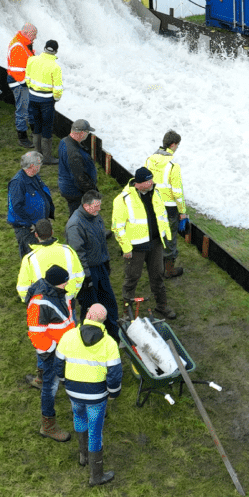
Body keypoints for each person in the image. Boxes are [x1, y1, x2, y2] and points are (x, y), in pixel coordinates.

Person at [55, 303, 122, 486]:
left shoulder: (68, 336)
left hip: (73, 392)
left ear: (87, 315)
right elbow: (115, 375)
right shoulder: (109, 343)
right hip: (96, 396)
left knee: (79, 416)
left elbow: (58, 364)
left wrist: (63, 381)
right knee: (95, 432)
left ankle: (83, 456)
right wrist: (113, 393)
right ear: (103, 320)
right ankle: (96, 476)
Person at [113, 166, 176, 320]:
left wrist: (164, 236)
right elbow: (117, 227)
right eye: (149, 180)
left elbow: (161, 216)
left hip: (155, 244)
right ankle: (127, 313)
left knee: (158, 276)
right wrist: (126, 249)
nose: (152, 182)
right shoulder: (123, 200)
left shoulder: (156, 193)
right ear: (139, 183)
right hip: (135, 249)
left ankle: (162, 306)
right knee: (131, 279)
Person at [25, 264, 78, 442]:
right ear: (56, 283)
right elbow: (35, 334)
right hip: (55, 354)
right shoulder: (38, 303)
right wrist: (52, 352)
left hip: (66, 348)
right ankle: (48, 426)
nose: (67, 284)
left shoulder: (59, 293)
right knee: (50, 387)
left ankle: (80, 408)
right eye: (65, 282)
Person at [65, 189, 120, 342]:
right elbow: (78, 254)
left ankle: (113, 333)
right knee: (90, 306)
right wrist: (87, 277)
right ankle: (88, 337)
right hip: (87, 272)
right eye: (96, 206)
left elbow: (102, 241)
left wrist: (106, 260)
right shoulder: (75, 225)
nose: (99, 209)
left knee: (109, 300)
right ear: (86, 206)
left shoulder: (95, 216)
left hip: (100, 266)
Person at [143, 130, 191, 279]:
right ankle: (168, 270)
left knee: (155, 234)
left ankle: (153, 263)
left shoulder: (150, 159)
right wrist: (182, 212)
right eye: (177, 145)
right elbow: (177, 192)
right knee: (169, 238)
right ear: (173, 145)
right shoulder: (173, 167)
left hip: (152, 204)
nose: (177, 148)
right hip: (169, 208)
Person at [16, 218, 84, 304]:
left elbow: (22, 289)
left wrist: (34, 303)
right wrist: (71, 295)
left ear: (36, 235)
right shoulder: (68, 251)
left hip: (43, 307)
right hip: (67, 302)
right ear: (52, 232)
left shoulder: (29, 259)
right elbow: (80, 276)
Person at [7, 150, 55, 258]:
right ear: (33, 166)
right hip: (27, 229)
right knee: (31, 257)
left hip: (37, 223)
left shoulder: (33, 176)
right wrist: (30, 224)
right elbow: (16, 207)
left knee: (42, 255)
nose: (41, 166)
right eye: (40, 164)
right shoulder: (17, 182)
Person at [23, 39, 64, 160]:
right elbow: (57, 89)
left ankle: (37, 153)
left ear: (45, 48)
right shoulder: (55, 67)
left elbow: (27, 79)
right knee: (47, 126)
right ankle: (46, 157)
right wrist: (55, 99)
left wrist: (33, 90)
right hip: (47, 101)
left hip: (33, 98)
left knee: (36, 124)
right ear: (56, 52)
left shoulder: (32, 60)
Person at [56, 119, 98, 220]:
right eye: (88, 132)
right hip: (74, 190)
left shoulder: (64, 141)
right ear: (82, 133)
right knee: (80, 214)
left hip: (66, 185)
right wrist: (91, 191)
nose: (88, 135)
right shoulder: (74, 153)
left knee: (76, 212)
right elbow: (79, 177)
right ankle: (79, 233)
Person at [7, 22, 37, 148]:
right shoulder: (19, 46)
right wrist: (27, 85)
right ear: (27, 33)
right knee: (23, 110)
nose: (35, 38)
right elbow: (17, 71)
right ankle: (22, 137)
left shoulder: (22, 42)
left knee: (29, 108)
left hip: (22, 82)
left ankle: (34, 133)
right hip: (19, 83)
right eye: (34, 35)